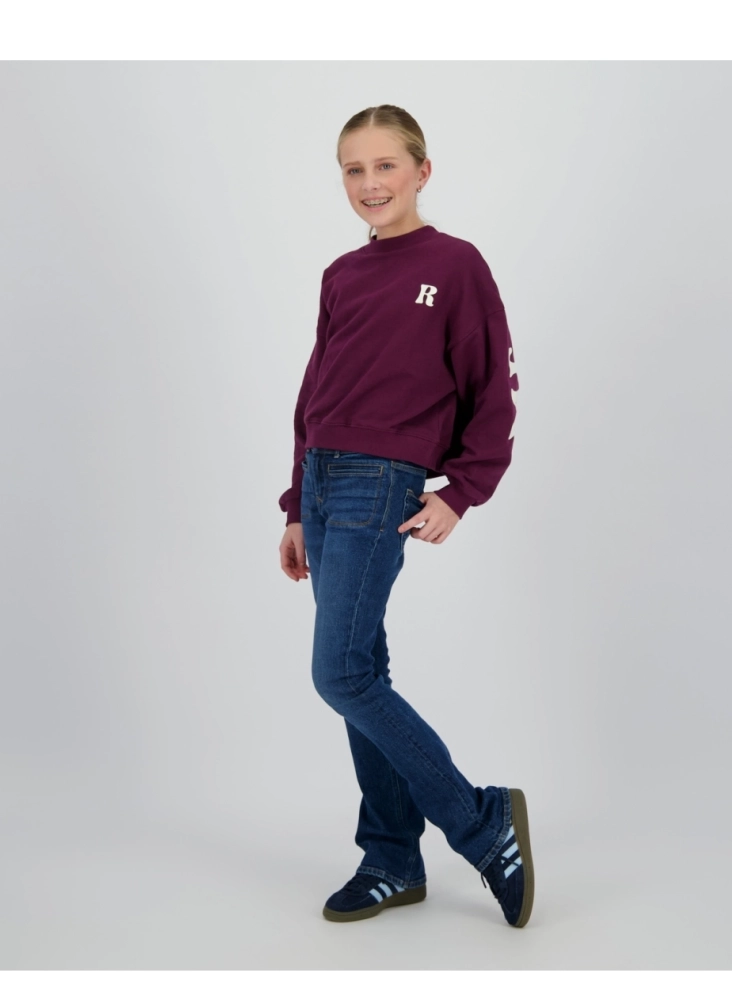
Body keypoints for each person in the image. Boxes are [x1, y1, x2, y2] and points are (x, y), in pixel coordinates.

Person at [277, 104, 533, 928]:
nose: (369, 183)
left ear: (422, 171)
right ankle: (391, 857)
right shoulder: (341, 275)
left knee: (341, 676)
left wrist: (462, 489)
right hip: (323, 479)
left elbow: (493, 385)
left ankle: (481, 822)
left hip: (381, 484)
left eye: (385, 165)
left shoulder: (455, 265)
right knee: (362, 672)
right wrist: (295, 504)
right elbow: (316, 393)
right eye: (353, 169)